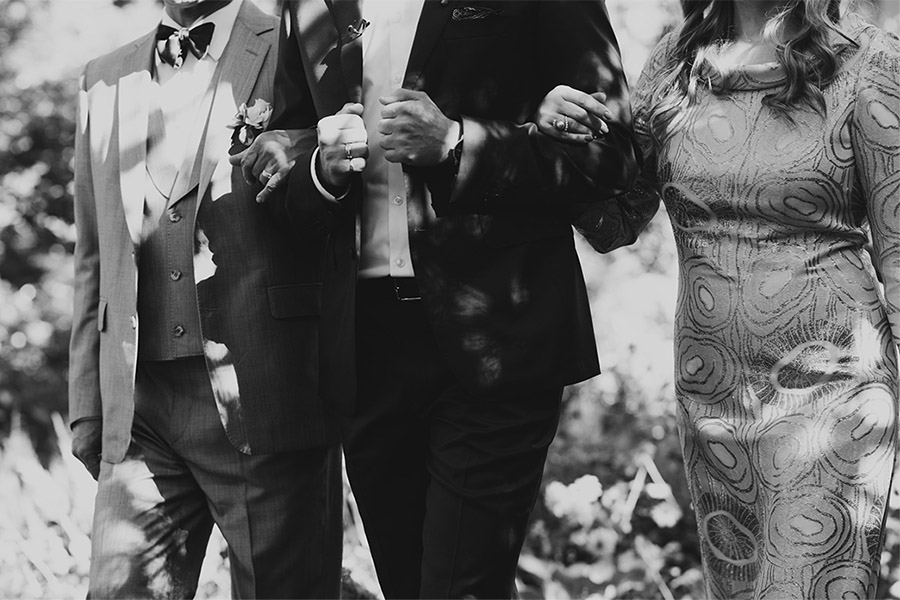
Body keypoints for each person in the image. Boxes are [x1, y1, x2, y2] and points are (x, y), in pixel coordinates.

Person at [232, 1, 654, 597]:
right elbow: (284, 175)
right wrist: (321, 174)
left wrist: (457, 143)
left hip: (498, 342)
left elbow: (608, 157)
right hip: (365, 349)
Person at [538, 0, 900, 597]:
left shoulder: (867, 62)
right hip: (712, 396)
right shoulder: (677, 64)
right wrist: (563, 143)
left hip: (833, 393)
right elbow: (614, 221)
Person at [68, 0, 342, 597]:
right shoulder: (101, 77)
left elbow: (343, 161)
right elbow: (94, 252)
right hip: (139, 409)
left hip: (265, 394)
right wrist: (89, 403)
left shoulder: (294, 43)